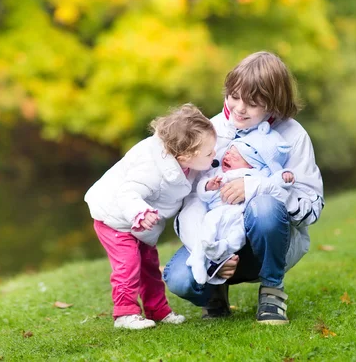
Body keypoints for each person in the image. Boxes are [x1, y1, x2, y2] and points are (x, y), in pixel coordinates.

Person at [163, 51, 324, 325]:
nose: (239, 108)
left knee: (264, 206)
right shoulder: (208, 129)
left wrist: (258, 187)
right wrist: (211, 255)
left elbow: (312, 208)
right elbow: (188, 203)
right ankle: (215, 289)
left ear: (274, 103)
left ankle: (272, 292)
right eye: (234, 96)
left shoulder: (293, 135)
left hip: (270, 240)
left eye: (252, 103)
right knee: (178, 280)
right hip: (216, 237)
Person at [84, 103, 217, 330]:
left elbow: (190, 187)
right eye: (209, 153)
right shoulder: (151, 167)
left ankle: (157, 310)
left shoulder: (184, 162)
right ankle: (125, 313)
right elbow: (128, 192)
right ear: (185, 155)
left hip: (142, 223)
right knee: (128, 264)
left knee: (149, 266)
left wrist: (208, 185)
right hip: (115, 217)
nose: (214, 156)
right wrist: (140, 212)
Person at [189, 121, 295, 285]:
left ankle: (223, 252)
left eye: (236, 156)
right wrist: (209, 187)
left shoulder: (258, 174)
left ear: (252, 163)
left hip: (238, 217)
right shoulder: (217, 173)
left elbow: (274, 181)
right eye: (229, 152)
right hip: (217, 213)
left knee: (237, 237)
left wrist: (284, 176)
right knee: (207, 227)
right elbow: (203, 194)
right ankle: (200, 257)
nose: (228, 156)